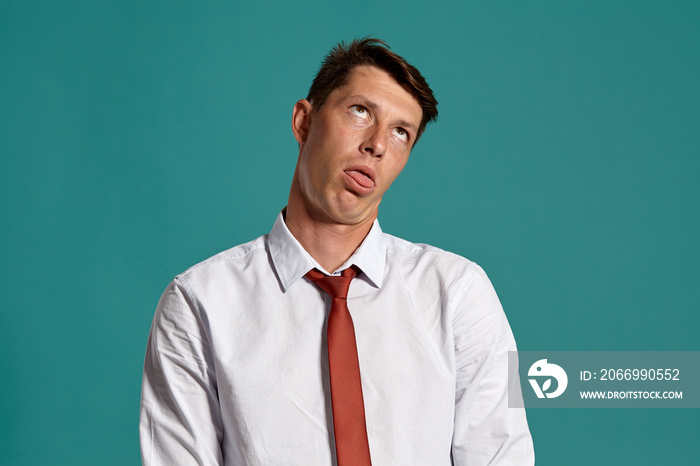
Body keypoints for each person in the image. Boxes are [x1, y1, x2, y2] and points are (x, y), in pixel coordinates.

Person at [140, 38, 534, 465]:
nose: (377, 144)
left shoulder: (457, 293)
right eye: (360, 111)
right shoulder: (200, 303)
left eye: (401, 132)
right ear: (303, 121)